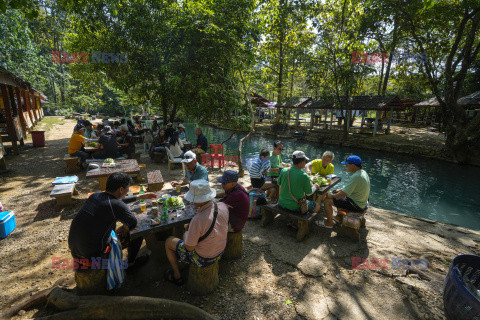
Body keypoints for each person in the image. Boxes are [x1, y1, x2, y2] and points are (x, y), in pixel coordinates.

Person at [68, 173, 156, 271]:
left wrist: (140, 197)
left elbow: (117, 201)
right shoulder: (115, 205)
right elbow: (132, 222)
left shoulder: (95, 195)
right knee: (137, 232)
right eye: (127, 189)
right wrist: (129, 222)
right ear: (121, 189)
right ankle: (131, 264)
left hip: (75, 250)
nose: (128, 191)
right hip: (94, 257)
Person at [164, 180, 228, 285]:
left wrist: (185, 235)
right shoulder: (222, 206)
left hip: (203, 259)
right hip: (220, 252)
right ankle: (182, 262)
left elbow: (189, 248)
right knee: (191, 232)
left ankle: (177, 275)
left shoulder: (198, 219)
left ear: (198, 200)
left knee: (168, 241)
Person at [321, 155, 370, 228]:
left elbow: (343, 194)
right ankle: (338, 217)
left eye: (347, 165)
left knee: (327, 200)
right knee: (337, 194)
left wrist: (331, 196)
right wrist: (339, 190)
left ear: (353, 165)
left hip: (357, 205)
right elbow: (351, 187)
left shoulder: (356, 176)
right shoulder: (362, 172)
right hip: (362, 202)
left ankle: (329, 223)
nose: (346, 166)